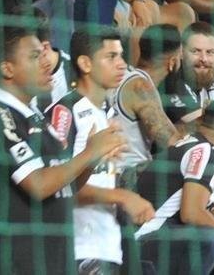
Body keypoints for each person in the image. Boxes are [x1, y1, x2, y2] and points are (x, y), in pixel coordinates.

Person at [0, 16, 127, 272]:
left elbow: (66, 187)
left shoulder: (35, 117)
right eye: (34, 56)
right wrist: (89, 152)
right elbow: (38, 184)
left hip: (54, 258)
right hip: (18, 263)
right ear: (7, 68)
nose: (46, 62)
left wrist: (92, 160)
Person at [46, 27, 155, 273]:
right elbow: (57, 187)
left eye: (122, 56)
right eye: (111, 57)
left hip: (109, 245)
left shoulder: (106, 113)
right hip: (79, 248)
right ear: (85, 63)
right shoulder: (65, 112)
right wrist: (123, 197)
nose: (122, 65)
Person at [135, 100, 214, 273]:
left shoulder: (198, 146)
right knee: (211, 238)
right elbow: (191, 213)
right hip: (143, 243)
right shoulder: (206, 152)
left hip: (155, 242)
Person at [113, 23, 186, 174]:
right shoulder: (140, 86)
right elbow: (171, 142)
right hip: (127, 175)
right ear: (172, 62)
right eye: (180, 56)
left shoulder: (124, 76)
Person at [166, 21, 214, 124]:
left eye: (210, 52)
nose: (203, 59)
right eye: (195, 51)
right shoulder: (173, 83)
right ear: (181, 52)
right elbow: (201, 125)